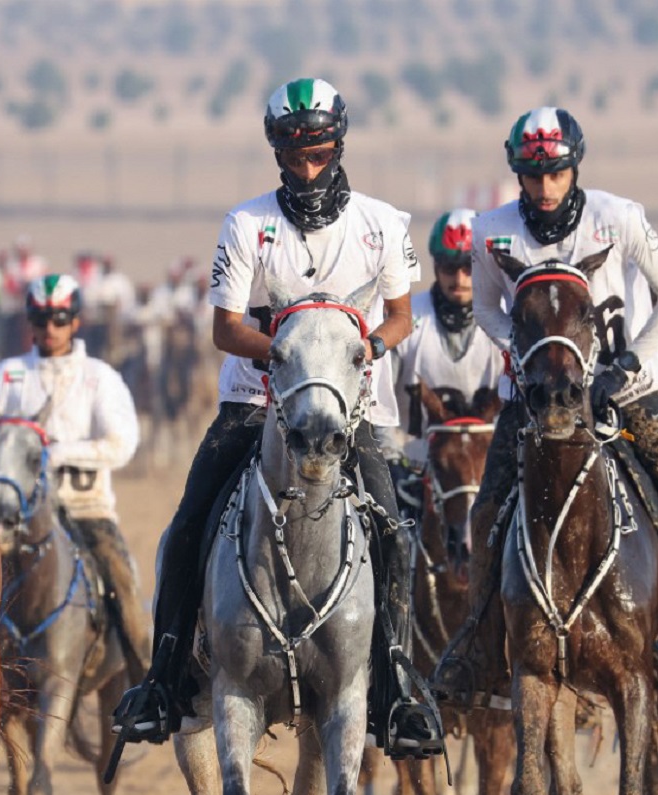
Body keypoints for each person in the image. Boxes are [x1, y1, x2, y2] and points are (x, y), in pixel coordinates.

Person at [111, 78, 443, 760]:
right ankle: (166, 678)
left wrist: (363, 350)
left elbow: (403, 314)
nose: (307, 163)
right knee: (186, 525)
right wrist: (292, 354)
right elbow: (227, 330)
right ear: (277, 152)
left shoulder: (383, 223)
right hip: (255, 404)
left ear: (338, 142)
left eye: (318, 149)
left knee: (396, 534)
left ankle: (398, 686)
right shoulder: (246, 224)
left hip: (350, 411)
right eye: (294, 152)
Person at [432, 106, 658, 707]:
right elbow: (489, 310)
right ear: (517, 172)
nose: (544, 187)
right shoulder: (490, 230)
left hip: (622, 389)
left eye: (555, 173)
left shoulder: (618, 217)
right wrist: (524, 359)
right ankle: (479, 642)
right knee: (488, 506)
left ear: (574, 167)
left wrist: (628, 363)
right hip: (532, 397)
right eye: (531, 174)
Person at [0, 274, 149, 667]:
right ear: (30, 322)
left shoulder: (100, 378)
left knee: (124, 587)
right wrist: (14, 453)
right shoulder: (7, 375)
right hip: (15, 516)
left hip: (86, 511)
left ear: (75, 321)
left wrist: (56, 452)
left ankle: (146, 678)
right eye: (42, 318)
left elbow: (122, 443)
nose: (50, 328)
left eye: (60, 318)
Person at [396, 208, 502, 454]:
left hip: (491, 469)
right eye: (449, 267)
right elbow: (378, 407)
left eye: (469, 267)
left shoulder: (508, 322)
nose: (460, 278)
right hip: (414, 469)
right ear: (435, 266)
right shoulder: (404, 320)